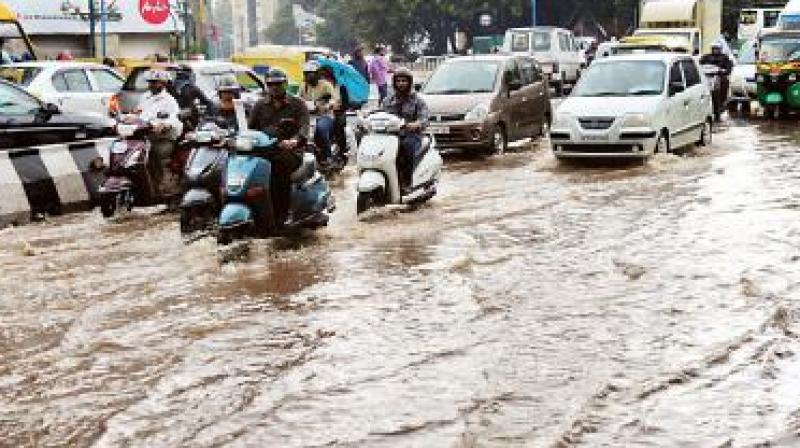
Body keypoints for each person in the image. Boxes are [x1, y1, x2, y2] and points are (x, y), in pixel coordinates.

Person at [248, 68, 309, 230]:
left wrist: (294, 141)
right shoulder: (259, 105)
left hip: (289, 152)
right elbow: (249, 129)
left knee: (277, 167)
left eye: (278, 84)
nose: (275, 87)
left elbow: (304, 129)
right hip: (263, 150)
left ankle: (283, 212)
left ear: (286, 84)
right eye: (271, 84)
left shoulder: (298, 104)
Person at [380, 67, 430, 192]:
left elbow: (425, 119)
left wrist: (416, 124)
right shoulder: (388, 100)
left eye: (404, 81)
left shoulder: (418, 101)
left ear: (409, 82)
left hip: (412, 135)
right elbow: (379, 113)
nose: (401, 83)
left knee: (405, 147)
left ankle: (407, 182)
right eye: (398, 81)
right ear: (394, 83)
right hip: (391, 136)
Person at [136, 69, 183, 190]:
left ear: (163, 84)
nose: (151, 84)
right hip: (144, 138)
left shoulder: (170, 101)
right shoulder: (144, 97)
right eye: (150, 82)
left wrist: (165, 124)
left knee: (152, 153)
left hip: (163, 139)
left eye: (155, 82)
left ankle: (159, 183)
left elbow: (175, 119)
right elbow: (139, 114)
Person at [301, 60, 340, 163]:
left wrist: (328, 106)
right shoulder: (303, 86)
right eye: (307, 74)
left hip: (325, 116)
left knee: (321, 129)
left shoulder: (326, 85)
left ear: (317, 74)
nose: (309, 76)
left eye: (311, 73)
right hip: (309, 117)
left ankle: (328, 156)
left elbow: (335, 100)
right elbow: (299, 100)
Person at [700, 42, 733, 118]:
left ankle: (722, 101)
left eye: (717, 49)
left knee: (724, 82)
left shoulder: (725, 58)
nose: (715, 50)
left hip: (718, 77)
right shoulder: (706, 57)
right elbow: (700, 65)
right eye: (714, 48)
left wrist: (723, 71)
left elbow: (728, 68)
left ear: (720, 49)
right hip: (707, 77)